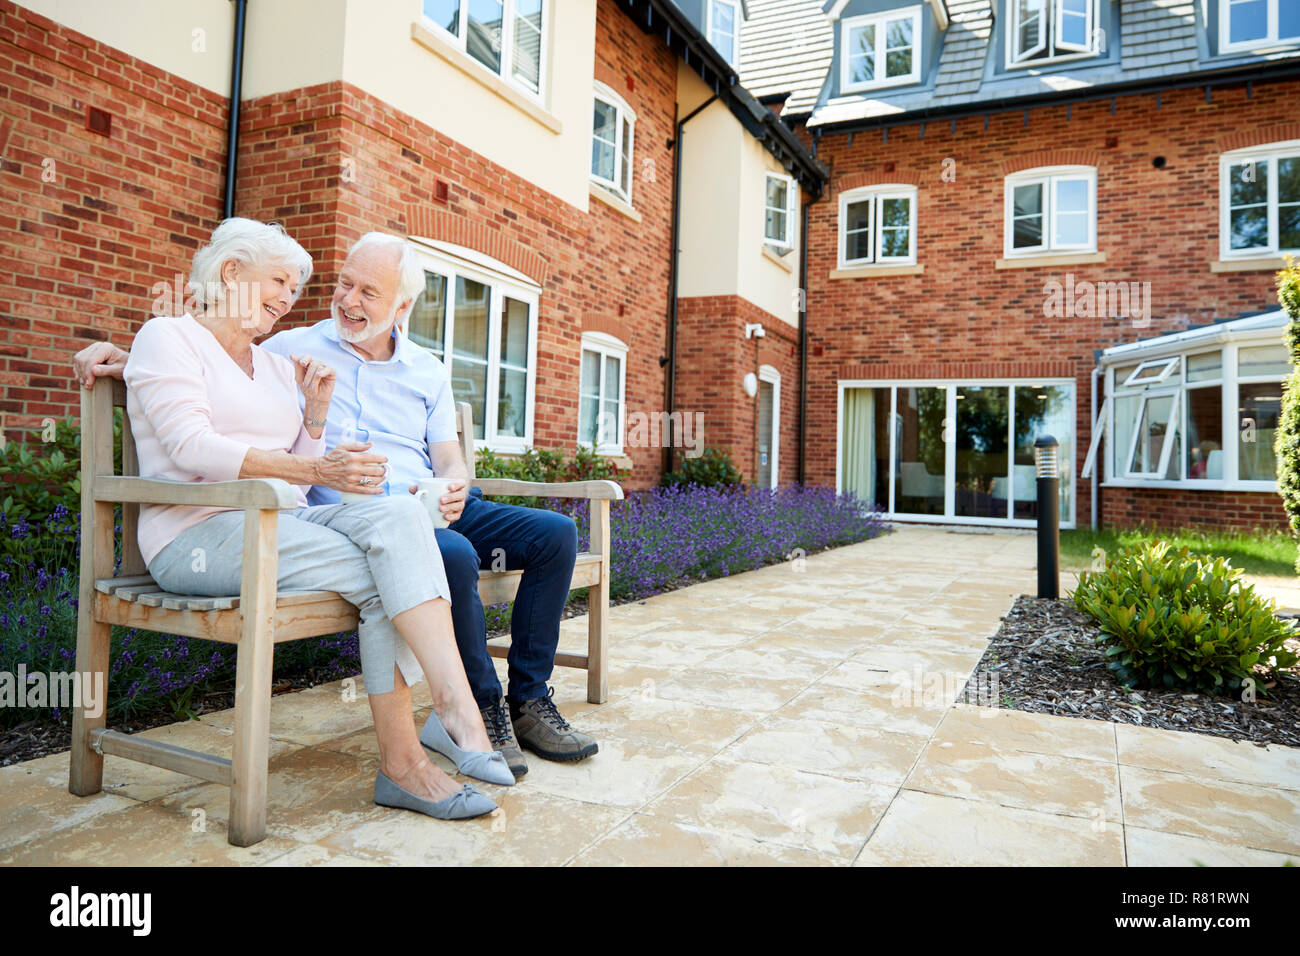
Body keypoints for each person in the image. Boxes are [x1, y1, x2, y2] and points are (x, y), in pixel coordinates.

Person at [74, 233, 599, 779]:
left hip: (417, 503)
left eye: (368, 292)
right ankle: (475, 712)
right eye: (343, 284)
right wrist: (129, 357)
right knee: (446, 555)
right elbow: (204, 366)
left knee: (555, 534)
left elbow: (445, 454)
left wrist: (454, 484)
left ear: (401, 307)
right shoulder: (290, 346)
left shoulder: (412, 367)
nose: (347, 300)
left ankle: (526, 702)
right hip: (323, 516)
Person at [118, 217, 511, 822]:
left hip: (282, 528)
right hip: (197, 535)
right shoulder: (168, 338)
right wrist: (314, 471)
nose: (288, 299)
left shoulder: (277, 366)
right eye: (278, 280)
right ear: (230, 272)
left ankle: (446, 720)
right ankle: (428, 745)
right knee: (391, 570)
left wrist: (317, 415)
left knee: (402, 523)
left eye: (296, 289)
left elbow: (303, 466)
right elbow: (189, 446)